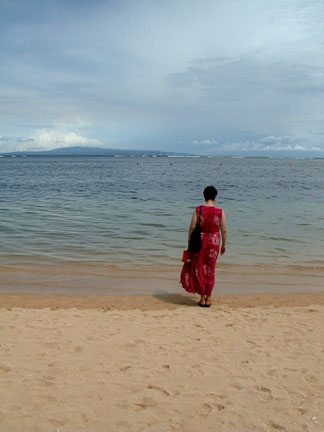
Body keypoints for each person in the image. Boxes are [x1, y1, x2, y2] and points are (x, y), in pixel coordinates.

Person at [180, 186, 227, 307]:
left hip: (200, 242)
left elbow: (191, 227)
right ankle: (209, 298)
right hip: (214, 242)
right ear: (215, 197)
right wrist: (224, 245)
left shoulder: (198, 210)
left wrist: (189, 241)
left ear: (204, 196)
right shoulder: (220, 211)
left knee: (200, 268)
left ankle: (202, 298)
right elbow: (224, 230)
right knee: (210, 270)